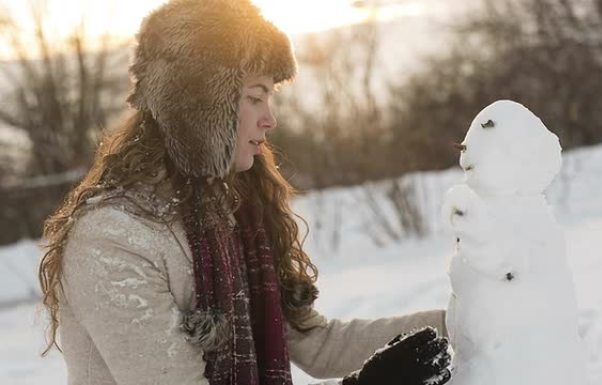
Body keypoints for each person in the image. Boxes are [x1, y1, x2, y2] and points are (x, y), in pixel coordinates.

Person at [38, 0, 452, 384]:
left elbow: (318, 343)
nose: (269, 119)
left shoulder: (237, 215)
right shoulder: (113, 238)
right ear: (200, 108)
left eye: (270, 97)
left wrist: (466, 321)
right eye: (255, 97)